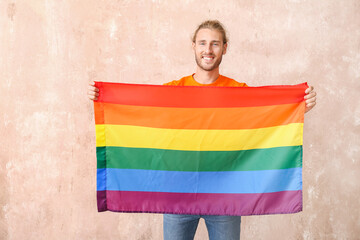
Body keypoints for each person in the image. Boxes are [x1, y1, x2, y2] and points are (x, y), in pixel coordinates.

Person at [88, 20, 317, 240]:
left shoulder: (239, 93)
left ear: (224, 48)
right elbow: (139, 114)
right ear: (194, 47)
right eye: (202, 43)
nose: (208, 49)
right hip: (177, 198)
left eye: (215, 43)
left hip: (224, 198)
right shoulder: (172, 92)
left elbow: (266, 119)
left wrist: (298, 107)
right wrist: (103, 98)